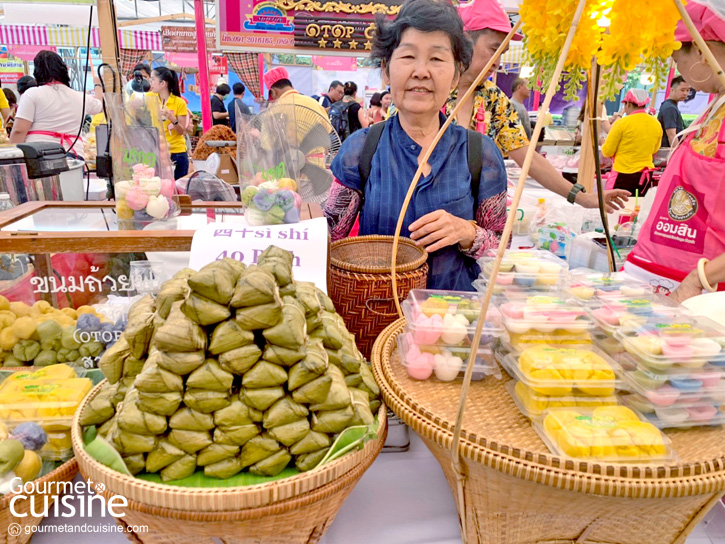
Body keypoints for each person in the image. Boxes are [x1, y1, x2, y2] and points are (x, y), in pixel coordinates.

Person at [324, 0, 507, 291]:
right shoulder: (361, 150)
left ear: (456, 75)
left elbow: (500, 248)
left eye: (436, 59)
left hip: (453, 325)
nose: (421, 71)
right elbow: (329, 235)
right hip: (375, 318)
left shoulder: (480, 154)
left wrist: (466, 231)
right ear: (386, 70)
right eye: (408, 56)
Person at [446, 0, 629, 213]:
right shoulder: (431, 90)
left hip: (469, 224)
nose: (497, 62)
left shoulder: (492, 99)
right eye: (493, 49)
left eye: (503, 53)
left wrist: (582, 197)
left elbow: (528, 157)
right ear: (464, 42)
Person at [625, 1, 725, 295]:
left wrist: (700, 278)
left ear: (699, 51)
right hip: (664, 276)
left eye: (676, 59)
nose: (678, 69)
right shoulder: (716, 107)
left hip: (702, 293)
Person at [10, 50, 103, 158]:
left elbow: (19, 130)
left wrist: (14, 156)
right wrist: (98, 84)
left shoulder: (32, 94)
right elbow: (100, 106)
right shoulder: (81, 97)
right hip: (73, 154)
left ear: (37, 72)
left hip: (38, 154)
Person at [601, 89, 662, 197]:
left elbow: (607, 151)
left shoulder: (622, 123)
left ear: (628, 104)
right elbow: (654, 149)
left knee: (617, 208)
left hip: (623, 175)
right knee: (637, 208)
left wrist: (602, 142)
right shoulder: (656, 123)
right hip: (645, 175)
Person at [147, 67, 189, 180]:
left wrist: (171, 117)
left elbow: (181, 131)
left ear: (163, 83)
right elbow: (132, 103)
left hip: (176, 152)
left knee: (177, 191)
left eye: (152, 80)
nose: (150, 83)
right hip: (157, 152)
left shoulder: (179, 102)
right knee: (158, 188)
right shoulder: (149, 98)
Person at [658, 76, 691, 148]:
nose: (685, 93)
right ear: (672, 90)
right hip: (668, 150)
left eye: (688, 90)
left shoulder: (670, 105)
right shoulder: (670, 108)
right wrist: (676, 154)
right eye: (682, 90)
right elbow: (672, 135)